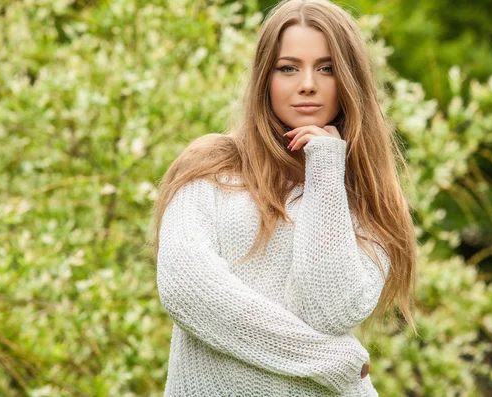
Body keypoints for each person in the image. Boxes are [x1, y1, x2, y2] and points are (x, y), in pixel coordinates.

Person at [148, 0, 418, 395]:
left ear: (349, 81)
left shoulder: (366, 198)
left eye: (326, 69)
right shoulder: (210, 168)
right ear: (265, 79)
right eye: (288, 68)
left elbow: (329, 312)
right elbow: (185, 288)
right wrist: (329, 361)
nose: (307, 83)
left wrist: (326, 168)